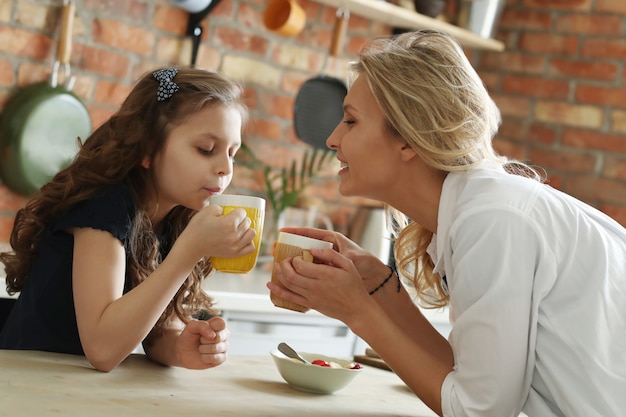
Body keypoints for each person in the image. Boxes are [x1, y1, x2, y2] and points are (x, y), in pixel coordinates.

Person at [267, 30, 626, 417]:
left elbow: (476, 411)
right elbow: (466, 377)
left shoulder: (493, 220)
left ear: (408, 139)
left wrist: (358, 311)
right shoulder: (476, 211)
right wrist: (378, 289)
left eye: (351, 121)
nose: (333, 139)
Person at [0, 67, 257, 372]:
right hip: (26, 379)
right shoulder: (104, 207)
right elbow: (102, 349)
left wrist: (181, 348)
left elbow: (156, 332)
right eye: (206, 150)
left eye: (232, 153)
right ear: (147, 149)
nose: (225, 168)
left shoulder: (178, 218)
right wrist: (188, 252)